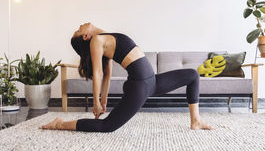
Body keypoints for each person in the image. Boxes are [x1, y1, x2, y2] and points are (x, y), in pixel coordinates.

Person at [41, 22, 213, 132]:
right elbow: (98, 73)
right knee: (107, 126)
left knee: (192, 75)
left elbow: (108, 74)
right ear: (86, 37)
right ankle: (59, 124)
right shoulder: (96, 42)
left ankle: (196, 120)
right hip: (139, 85)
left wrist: (104, 100)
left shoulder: (104, 37)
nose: (80, 25)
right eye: (78, 30)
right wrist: (95, 101)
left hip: (152, 82)